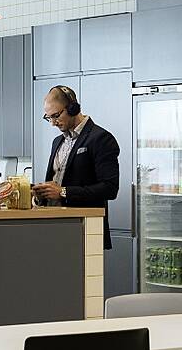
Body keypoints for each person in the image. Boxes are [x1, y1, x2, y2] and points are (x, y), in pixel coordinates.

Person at [32, 85, 120, 249]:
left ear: (73, 108)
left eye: (56, 116)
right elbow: (56, 185)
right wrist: (41, 193)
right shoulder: (57, 142)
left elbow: (110, 188)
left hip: (83, 228)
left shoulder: (101, 138)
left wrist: (63, 192)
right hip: (54, 228)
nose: (52, 123)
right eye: (48, 117)